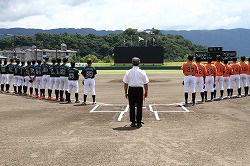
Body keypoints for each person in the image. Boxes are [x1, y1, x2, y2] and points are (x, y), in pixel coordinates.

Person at [123, 57, 149, 128]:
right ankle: (139, 122)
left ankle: (133, 122)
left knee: (131, 106)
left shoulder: (128, 72)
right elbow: (146, 83)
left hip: (131, 89)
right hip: (139, 90)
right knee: (139, 106)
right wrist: (146, 92)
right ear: (139, 63)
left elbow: (125, 83)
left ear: (132, 63)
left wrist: (126, 92)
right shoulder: (142, 72)